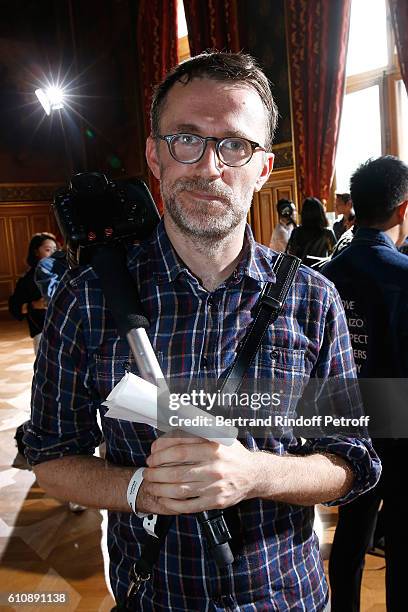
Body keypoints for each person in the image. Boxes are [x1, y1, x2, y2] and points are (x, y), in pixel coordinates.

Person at [23, 52, 380, 611]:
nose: (209, 166)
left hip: (286, 597)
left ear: (263, 169)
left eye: (234, 144)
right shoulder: (86, 298)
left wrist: (255, 473)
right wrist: (137, 489)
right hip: (155, 594)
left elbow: (352, 463)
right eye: (186, 139)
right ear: (154, 156)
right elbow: (50, 455)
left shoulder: (314, 299)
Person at [323, 155, 408, 611]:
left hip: (346, 421)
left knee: (351, 535)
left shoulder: (325, 276)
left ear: (353, 206)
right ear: (402, 209)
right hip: (401, 427)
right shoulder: (404, 276)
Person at [8, 232, 57, 354]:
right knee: (46, 370)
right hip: (42, 332)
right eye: (48, 250)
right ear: (36, 252)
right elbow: (15, 307)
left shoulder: (62, 273)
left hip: (67, 329)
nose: (53, 253)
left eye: (55, 249)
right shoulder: (27, 279)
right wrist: (35, 304)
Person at [286, 196, 336, 265]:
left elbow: (290, 255)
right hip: (320, 273)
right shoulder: (327, 233)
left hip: (301, 272)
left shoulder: (296, 232)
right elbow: (335, 256)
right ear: (321, 213)